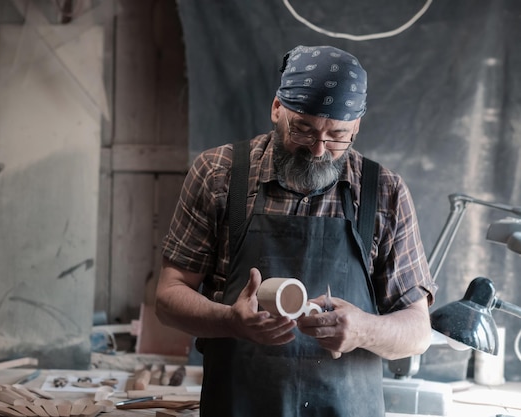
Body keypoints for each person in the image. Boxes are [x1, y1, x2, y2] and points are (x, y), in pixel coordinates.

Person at [155, 45, 437, 417]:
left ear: (356, 126)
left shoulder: (384, 192)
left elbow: (418, 331)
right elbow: (168, 297)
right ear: (277, 109)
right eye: (303, 129)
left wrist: (362, 330)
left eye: (337, 135)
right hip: (239, 405)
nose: (319, 150)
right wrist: (230, 321)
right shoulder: (219, 173)